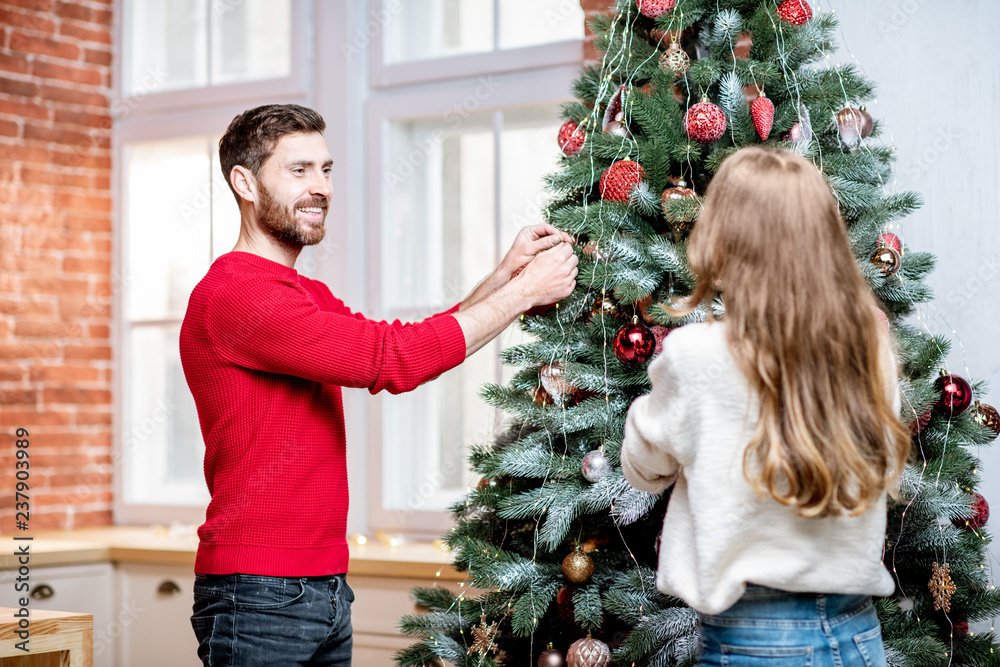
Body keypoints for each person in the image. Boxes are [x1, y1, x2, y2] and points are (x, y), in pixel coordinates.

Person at [179, 103, 578, 666]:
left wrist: (506, 275)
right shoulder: (236, 295)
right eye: (299, 171)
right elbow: (394, 362)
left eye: (326, 169)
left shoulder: (299, 292)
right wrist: (523, 294)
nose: (321, 187)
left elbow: (398, 342)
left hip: (319, 586)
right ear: (244, 182)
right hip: (260, 590)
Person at [620, 146, 910, 667]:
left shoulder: (697, 355)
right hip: (858, 635)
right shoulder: (869, 345)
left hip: (753, 640)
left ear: (725, 238)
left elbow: (643, 468)